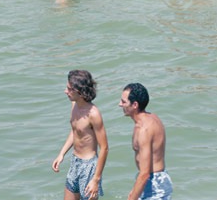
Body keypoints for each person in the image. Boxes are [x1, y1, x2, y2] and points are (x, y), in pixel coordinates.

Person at [52, 70, 108, 200]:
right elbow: (75, 131)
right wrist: (61, 154)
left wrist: (96, 179)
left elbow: (104, 148)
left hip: (89, 167)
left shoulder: (93, 114)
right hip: (75, 162)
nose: (65, 91)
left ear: (80, 92)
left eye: (69, 89)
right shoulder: (75, 105)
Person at [119, 83, 171, 200]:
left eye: (123, 102)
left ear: (135, 105)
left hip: (155, 184)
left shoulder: (144, 130)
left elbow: (145, 173)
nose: (120, 105)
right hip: (158, 180)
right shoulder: (152, 117)